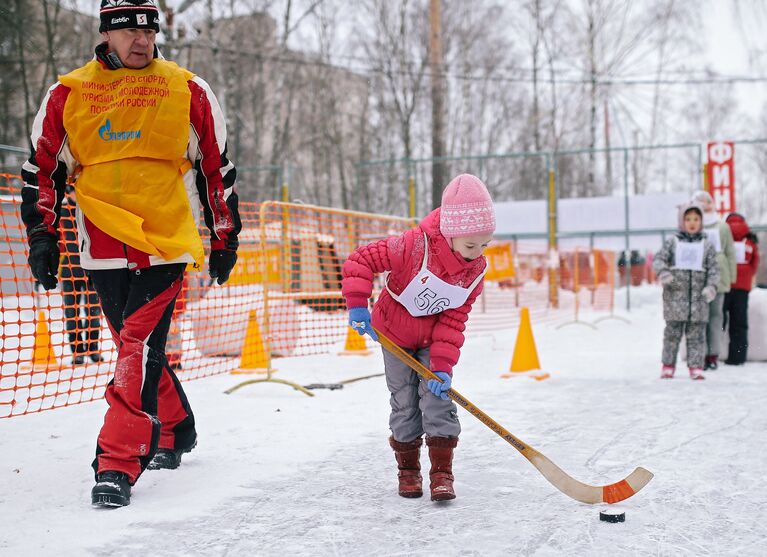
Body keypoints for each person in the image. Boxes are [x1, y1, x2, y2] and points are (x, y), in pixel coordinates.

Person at [20, 0, 241, 508]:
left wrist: (224, 236)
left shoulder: (186, 88)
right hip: (100, 242)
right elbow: (44, 169)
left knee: (136, 345)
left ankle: (117, 461)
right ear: (105, 33)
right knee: (132, 345)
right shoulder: (68, 93)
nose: (141, 39)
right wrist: (42, 235)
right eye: (128, 30)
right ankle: (178, 427)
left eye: (149, 28)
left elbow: (216, 168)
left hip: (164, 242)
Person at [341, 174, 495, 501]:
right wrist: (357, 305)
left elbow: (453, 321)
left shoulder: (474, 273)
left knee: (437, 400)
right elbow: (361, 260)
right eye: (471, 245)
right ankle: (408, 471)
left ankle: (442, 473)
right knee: (405, 401)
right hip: (393, 335)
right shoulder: (412, 246)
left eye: (485, 244)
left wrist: (441, 366)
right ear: (451, 234)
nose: (477, 253)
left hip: (432, 342)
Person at [653, 202, 719, 380]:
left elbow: (714, 268)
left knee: (696, 336)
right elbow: (658, 260)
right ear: (681, 221)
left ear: (701, 222)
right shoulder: (672, 242)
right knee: (672, 334)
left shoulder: (707, 245)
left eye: (696, 219)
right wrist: (665, 273)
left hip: (698, 300)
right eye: (688, 219)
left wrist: (711, 286)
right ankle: (668, 365)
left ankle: (696, 367)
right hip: (675, 298)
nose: (692, 222)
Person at [690, 191, 737, 370]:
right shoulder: (694, 225)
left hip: (720, 277)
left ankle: (713, 354)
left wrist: (731, 276)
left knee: (716, 317)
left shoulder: (722, 227)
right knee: (700, 317)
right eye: (702, 202)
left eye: (708, 202)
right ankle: (699, 354)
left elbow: (729, 252)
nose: (706, 205)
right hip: (699, 276)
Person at [60, 185, 104, 365]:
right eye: (72, 190)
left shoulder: (89, 210)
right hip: (69, 271)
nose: (74, 194)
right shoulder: (61, 212)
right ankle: (77, 351)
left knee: (93, 312)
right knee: (73, 313)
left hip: (91, 269)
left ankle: (93, 349)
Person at [723, 213, 760, 365]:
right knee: (740, 323)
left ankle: (713, 354)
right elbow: (755, 262)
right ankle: (738, 357)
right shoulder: (750, 241)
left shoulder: (723, 235)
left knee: (719, 319)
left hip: (724, 284)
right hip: (742, 287)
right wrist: (746, 276)